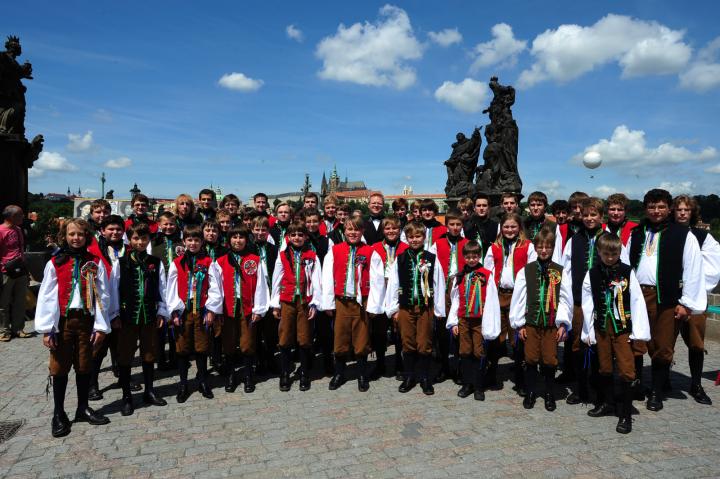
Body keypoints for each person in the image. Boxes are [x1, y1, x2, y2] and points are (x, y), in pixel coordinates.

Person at [627, 189, 706, 412]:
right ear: (646, 209)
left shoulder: (682, 234)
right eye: (652, 206)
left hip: (666, 297)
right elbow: (625, 263)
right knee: (636, 340)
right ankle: (637, 384)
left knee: (662, 345)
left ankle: (657, 392)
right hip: (638, 296)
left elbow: (693, 269)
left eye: (661, 206)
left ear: (668, 208)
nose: (656, 211)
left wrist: (687, 303)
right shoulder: (637, 232)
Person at [34, 218, 112, 437]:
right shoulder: (56, 262)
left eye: (80, 234)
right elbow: (47, 295)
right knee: (59, 368)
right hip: (63, 322)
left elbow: (103, 295)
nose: (76, 238)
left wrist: (100, 326)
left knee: (84, 365)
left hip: (87, 321)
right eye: (72, 234)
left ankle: (82, 407)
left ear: (87, 236)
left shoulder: (95, 261)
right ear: (65, 237)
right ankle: (58, 413)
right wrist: (48, 328)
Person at [581, 233, 650, 434]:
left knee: (627, 370)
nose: (610, 257)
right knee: (604, 368)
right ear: (599, 253)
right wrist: (588, 330)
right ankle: (608, 403)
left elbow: (637, 301)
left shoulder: (628, 272)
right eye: (606, 254)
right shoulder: (592, 273)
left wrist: (638, 332)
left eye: (614, 253)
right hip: (602, 327)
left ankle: (626, 415)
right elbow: (588, 302)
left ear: (619, 252)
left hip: (622, 329)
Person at [509, 227, 572, 411]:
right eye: (540, 247)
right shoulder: (526, 271)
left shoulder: (560, 271)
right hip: (531, 323)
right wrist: (519, 323)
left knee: (550, 359)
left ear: (553, 248)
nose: (544, 250)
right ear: (535, 248)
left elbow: (565, 299)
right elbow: (519, 299)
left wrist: (562, 324)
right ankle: (530, 392)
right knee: (530, 358)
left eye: (548, 247)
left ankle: (549, 394)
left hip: (551, 324)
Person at [114, 223, 169, 416]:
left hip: (149, 315)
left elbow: (163, 288)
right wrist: (114, 314)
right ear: (129, 239)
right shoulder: (120, 263)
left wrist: (162, 311)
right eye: (136, 238)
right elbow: (114, 290)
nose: (140, 242)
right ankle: (127, 396)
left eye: (144, 238)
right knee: (126, 355)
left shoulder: (156, 261)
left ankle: (149, 391)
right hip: (127, 316)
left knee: (149, 353)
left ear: (148, 240)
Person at [385, 222, 446, 395]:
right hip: (405, 308)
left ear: (424, 238)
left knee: (424, 343)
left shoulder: (432, 258)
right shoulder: (401, 258)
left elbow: (439, 283)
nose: (414, 240)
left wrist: (439, 310)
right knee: (408, 343)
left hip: (425, 308)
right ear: (407, 238)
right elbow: (394, 284)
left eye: (418, 236)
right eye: (411, 237)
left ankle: (425, 377)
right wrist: (393, 309)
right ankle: (409, 376)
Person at [166, 224, 223, 402]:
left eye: (197, 240)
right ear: (184, 242)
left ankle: (203, 380)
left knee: (202, 347)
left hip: (202, 310)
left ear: (202, 242)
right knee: (182, 349)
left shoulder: (208, 262)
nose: (193, 243)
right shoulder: (177, 263)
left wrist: (212, 309)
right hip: (184, 310)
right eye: (189, 240)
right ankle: (183, 383)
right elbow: (171, 289)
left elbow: (215, 287)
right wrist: (174, 311)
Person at [210, 225, 269, 393]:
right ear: (229, 240)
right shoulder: (220, 261)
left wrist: (259, 309)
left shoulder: (255, 259)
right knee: (228, 343)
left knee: (247, 342)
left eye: (241, 237)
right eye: (234, 237)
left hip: (247, 307)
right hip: (228, 307)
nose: (237, 240)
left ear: (246, 239)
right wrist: (216, 310)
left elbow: (261, 286)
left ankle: (249, 376)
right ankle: (231, 376)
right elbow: (216, 287)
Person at [483, 212, 537, 395]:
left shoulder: (528, 247)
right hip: (499, 295)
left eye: (513, 226)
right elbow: (488, 272)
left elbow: (532, 272)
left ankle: (521, 379)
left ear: (519, 228)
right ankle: (490, 374)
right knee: (496, 337)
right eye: (506, 227)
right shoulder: (494, 248)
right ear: (501, 228)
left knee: (518, 338)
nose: (509, 230)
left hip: (518, 296)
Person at [322, 218, 375, 391]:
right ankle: (339, 373)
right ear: (344, 231)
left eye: (357, 230)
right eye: (350, 229)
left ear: (362, 232)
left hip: (362, 302)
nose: (353, 233)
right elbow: (327, 278)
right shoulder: (335, 250)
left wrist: (374, 305)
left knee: (362, 340)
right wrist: (328, 303)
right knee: (340, 339)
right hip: (342, 302)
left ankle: (361, 374)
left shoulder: (369, 251)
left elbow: (377, 280)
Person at [561, 197, 605, 406]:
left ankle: (598, 387)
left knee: (599, 345)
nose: (589, 218)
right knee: (577, 345)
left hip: (603, 302)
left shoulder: (610, 239)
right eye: (585, 214)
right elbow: (565, 272)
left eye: (593, 214)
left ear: (601, 217)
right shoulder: (574, 240)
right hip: (578, 301)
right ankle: (580, 388)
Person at [270, 221, 322, 391]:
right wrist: (275, 304)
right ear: (288, 237)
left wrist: (315, 303)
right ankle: (285, 373)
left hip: (305, 303)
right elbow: (277, 278)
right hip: (287, 301)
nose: (297, 238)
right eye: (293, 235)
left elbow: (317, 280)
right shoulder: (283, 254)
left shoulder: (312, 255)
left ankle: (304, 373)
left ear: (306, 237)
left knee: (305, 338)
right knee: (285, 338)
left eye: (300, 234)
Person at [446, 241, 501, 401]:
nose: (471, 260)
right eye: (468, 257)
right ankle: (467, 383)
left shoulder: (486, 275)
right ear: (464, 257)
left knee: (478, 352)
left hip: (480, 321)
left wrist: (489, 324)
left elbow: (491, 300)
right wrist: (454, 322)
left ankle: (478, 385)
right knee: (464, 351)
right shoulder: (460, 275)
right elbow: (455, 299)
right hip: (464, 319)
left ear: (480, 256)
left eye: (475, 256)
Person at [87, 214, 128, 401]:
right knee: (98, 348)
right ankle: (92, 384)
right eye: (110, 229)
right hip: (102, 305)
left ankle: (122, 377)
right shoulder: (93, 252)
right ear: (102, 231)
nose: (115, 232)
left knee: (121, 346)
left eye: (118, 229)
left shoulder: (128, 250)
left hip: (123, 303)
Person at [367, 216, 408, 379]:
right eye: (387, 229)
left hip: (398, 294)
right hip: (380, 293)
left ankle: (400, 362)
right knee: (379, 331)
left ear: (400, 230)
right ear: (383, 231)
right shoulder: (375, 248)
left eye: (394, 229)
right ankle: (380, 363)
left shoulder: (405, 247)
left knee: (398, 330)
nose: (391, 231)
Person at [429, 209, 467, 383]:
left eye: (458, 224)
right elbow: (429, 266)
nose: (455, 227)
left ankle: (459, 368)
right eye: (452, 224)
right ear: (446, 225)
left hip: (460, 289)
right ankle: (444, 366)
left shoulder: (467, 243)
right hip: (442, 289)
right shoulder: (437, 244)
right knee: (442, 329)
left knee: (459, 329)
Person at [151, 211, 182, 370]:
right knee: (161, 321)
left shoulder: (181, 240)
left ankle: (175, 356)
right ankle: (160, 357)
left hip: (176, 285)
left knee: (175, 320)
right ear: (159, 224)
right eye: (165, 224)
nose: (168, 227)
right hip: (160, 285)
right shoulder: (153, 241)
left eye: (171, 224)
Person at [251, 215, 280, 375]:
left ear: (268, 231)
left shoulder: (273, 249)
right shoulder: (248, 248)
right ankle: (259, 360)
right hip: (255, 295)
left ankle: (270, 358)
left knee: (270, 331)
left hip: (271, 293)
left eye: (263, 229)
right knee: (256, 330)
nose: (260, 232)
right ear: (252, 230)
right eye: (257, 229)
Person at [0, 205, 30, 341]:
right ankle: (3, 330)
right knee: (3, 302)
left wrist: (26, 269)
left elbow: (21, 250)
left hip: (21, 270)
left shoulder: (18, 229)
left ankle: (18, 328)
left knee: (20, 301)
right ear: (11, 217)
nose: (23, 216)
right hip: (5, 271)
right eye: (20, 214)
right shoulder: (1, 230)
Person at [523, 191, 563, 262]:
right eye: (532, 205)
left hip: (547, 265)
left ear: (545, 207)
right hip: (525, 263)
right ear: (528, 206)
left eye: (539, 205)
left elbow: (557, 252)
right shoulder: (522, 224)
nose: (535, 208)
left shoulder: (554, 226)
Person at [463, 193, 499, 260]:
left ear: (489, 207)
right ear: (474, 208)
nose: (481, 208)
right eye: (478, 205)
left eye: (484, 205)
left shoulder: (496, 226)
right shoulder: (465, 226)